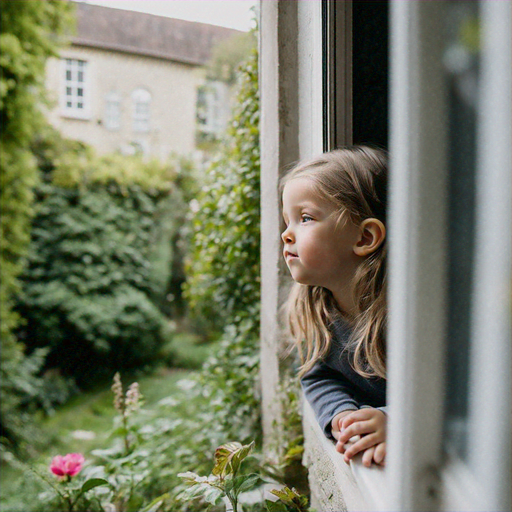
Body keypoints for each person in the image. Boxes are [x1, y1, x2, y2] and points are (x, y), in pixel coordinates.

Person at [281, 146, 388, 467]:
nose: (286, 234)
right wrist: (341, 414)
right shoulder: (317, 310)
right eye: (286, 221)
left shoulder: (410, 318)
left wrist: (397, 422)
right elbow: (319, 377)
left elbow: (454, 394)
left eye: (305, 218)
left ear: (365, 237)